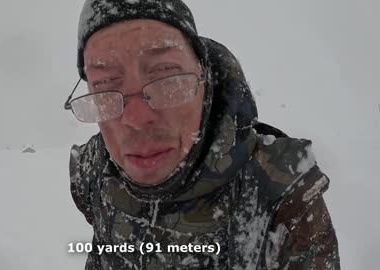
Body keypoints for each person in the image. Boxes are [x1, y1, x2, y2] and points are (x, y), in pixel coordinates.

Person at [65, 0, 340, 269]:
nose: (136, 119)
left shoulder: (281, 198)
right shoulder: (94, 171)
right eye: (104, 85)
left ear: (204, 76)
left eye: (165, 76)